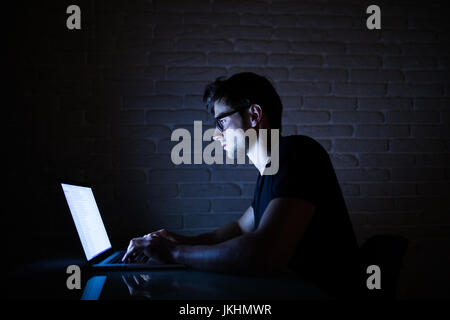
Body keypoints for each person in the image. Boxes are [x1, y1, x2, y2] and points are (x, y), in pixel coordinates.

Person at [123, 72, 362, 298]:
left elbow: (264, 253)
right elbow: (240, 228)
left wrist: (173, 253)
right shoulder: (271, 172)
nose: (217, 135)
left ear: (254, 115)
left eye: (222, 122)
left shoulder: (297, 154)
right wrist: (176, 240)